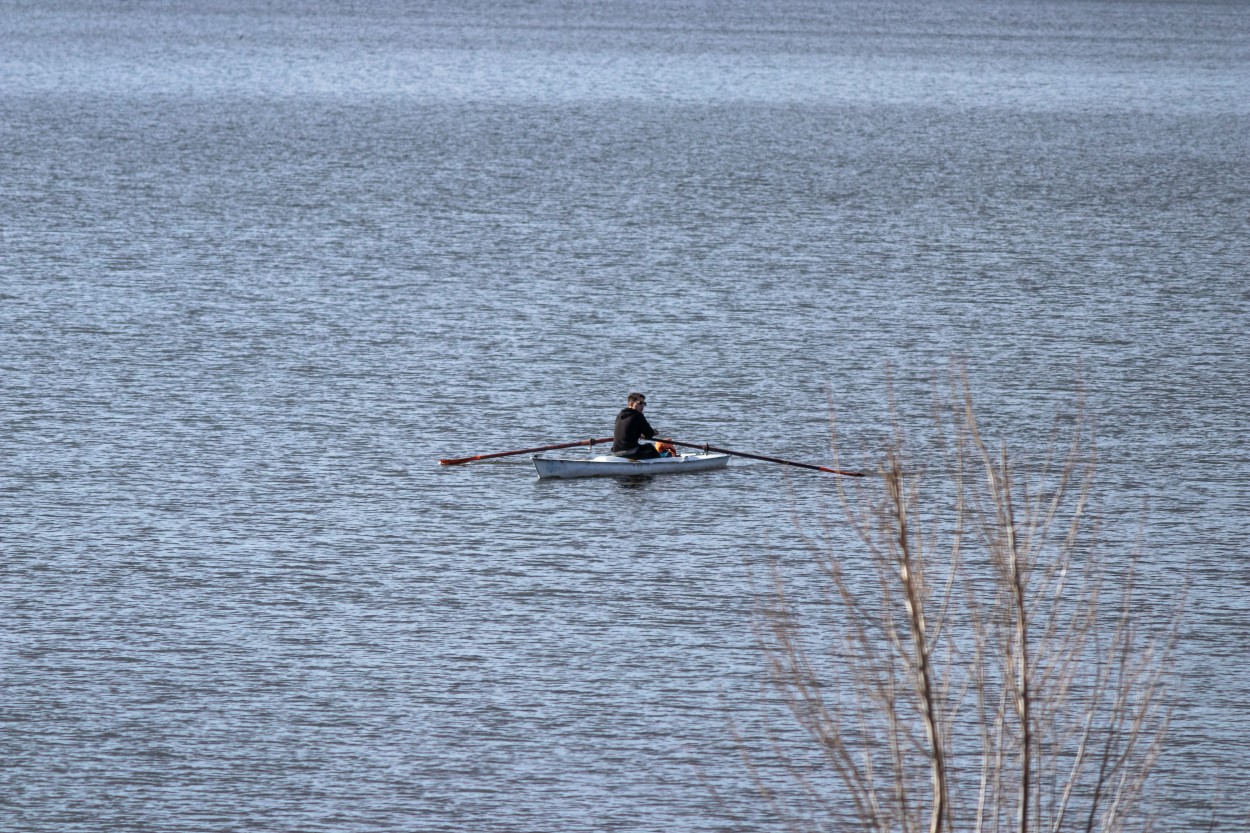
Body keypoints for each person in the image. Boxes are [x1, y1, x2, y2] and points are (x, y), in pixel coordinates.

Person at [612, 392, 662, 459]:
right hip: (629, 452)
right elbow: (649, 434)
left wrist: (639, 434)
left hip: (615, 452)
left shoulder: (619, 415)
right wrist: (654, 432)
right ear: (631, 404)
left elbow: (628, 430)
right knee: (649, 447)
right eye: (640, 403)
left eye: (644, 403)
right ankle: (662, 464)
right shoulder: (638, 416)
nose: (642, 406)